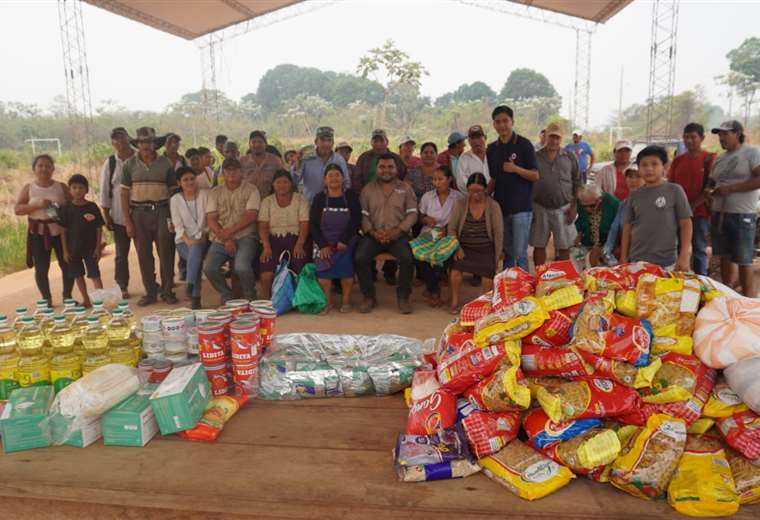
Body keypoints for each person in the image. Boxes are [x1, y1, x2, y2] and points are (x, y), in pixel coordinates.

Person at [120, 127, 177, 306]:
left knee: (166, 252)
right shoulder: (129, 165)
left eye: (149, 142)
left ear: (155, 144)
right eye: (142, 142)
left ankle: (167, 291)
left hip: (162, 210)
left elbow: (173, 192)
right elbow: (124, 194)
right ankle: (150, 292)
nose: (146, 145)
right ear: (137, 144)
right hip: (138, 213)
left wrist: (173, 218)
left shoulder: (165, 163)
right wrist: (127, 221)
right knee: (143, 255)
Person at [355, 153, 418, 314]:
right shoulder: (367, 190)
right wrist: (373, 232)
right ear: (376, 169)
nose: (386, 170)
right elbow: (362, 215)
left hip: (398, 235)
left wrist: (398, 230)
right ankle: (369, 297)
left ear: (396, 169)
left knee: (407, 258)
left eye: (390, 167)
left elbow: (412, 213)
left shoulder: (406, 189)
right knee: (360, 257)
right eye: (382, 167)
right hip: (373, 235)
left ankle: (403, 298)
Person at [14, 154, 74, 306]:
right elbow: (18, 209)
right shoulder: (29, 188)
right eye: (40, 165)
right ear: (34, 169)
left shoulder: (61, 187)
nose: (44, 168)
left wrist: (56, 209)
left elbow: (74, 205)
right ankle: (46, 298)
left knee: (67, 264)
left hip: (62, 233)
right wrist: (37, 206)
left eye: (47, 165)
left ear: (53, 169)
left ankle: (67, 296)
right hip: (38, 233)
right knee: (41, 268)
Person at [709, 120, 760, 297]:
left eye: (725, 134)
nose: (721, 138)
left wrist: (730, 189)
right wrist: (710, 193)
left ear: (737, 133)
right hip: (719, 213)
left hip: (742, 215)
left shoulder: (751, 152)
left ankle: (750, 304)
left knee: (744, 260)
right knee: (724, 256)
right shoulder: (720, 158)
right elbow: (712, 182)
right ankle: (729, 296)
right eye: (719, 134)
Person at [620, 146, 692, 271]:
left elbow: (686, 224)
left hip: (667, 261)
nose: (649, 168)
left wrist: (684, 254)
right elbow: (627, 228)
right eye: (644, 165)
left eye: (654, 164)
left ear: (665, 167)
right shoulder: (634, 196)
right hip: (637, 261)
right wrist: (623, 257)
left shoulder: (674, 190)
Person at [486, 105, 539, 271]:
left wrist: (516, 169)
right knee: (507, 252)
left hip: (521, 208)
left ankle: (526, 291)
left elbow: (535, 175)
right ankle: (509, 289)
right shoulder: (492, 149)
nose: (502, 125)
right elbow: (494, 177)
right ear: (493, 124)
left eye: (505, 121)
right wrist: (484, 196)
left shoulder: (524, 144)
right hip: (500, 208)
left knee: (520, 253)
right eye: (498, 122)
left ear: (512, 122)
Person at [204, 158, 261, 304]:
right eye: (228, 169)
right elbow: (211, 219)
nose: (231, 172)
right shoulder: (215, 192)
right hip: (220, 238)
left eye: (235, 169)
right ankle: (227, 296)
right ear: (223, 172)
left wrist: (229, 233)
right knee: (209, 268)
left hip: (246, 236)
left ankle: (250, 296)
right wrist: (227, 239)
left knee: (242, 267)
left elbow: (251, 215)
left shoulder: (251, 189)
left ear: (241, 171)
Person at [447, 173, 504, 313]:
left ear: (485, 189)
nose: (475, 194)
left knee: (487, 275)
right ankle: (454, 301)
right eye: (472, 190)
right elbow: (452, 229)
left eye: (479, 190)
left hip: (485, 247)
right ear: (467, 190)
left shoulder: (493, 205)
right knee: (455, 271)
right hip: (464, 246)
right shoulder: (460, 204)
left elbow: (498, 233)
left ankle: (483, 304)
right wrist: (457, 248)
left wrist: (497, 256)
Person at [310, 163, 362, 314]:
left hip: (345, 241)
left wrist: (344, 240)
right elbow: (313, 224)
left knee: (346, 273)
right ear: (325, 180)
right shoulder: (319, 198)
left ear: (343, 178)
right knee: (324, 275)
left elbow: (356, 219)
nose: (334, 178)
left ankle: (346, 302)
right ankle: (328, 302)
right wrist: (322, 245)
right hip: (324, 241)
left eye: (337, 175)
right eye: (330, 175)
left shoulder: (350, 195)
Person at [667, 123, 716, 276]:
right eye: (686, 137)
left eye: (693, 137)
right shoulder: (678, 160)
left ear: (702, 138)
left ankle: (702, 282)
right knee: (678, 248)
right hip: (677, 213)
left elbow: (711, 187)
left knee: (699, 248)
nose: (689, 141)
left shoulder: (710, 158)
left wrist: (692, 207)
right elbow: (671, 185)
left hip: (700, 213)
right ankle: (678, 278)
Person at [531, 123, 581, 266]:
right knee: (539, 244)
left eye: (557, 138)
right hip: (540, 207)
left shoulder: (570, 157)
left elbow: (577, 182)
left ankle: (563, 279)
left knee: (564, 246)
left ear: (561, 139)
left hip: (564, 208)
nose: (554, 141)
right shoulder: (535, 157)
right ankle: (539, 276)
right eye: (551, 136)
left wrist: (574, 207)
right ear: (545, 136)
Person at [258, 170, 311, 299]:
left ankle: (299, 299)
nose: (282, 185)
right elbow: (262, 225)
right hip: (273, 240)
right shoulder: (267, 201)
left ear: (291, 184)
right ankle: (267, 300)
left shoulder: (300, 199)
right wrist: (266, 246)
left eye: (285, 182)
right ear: (273, 184)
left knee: (300, 265)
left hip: (297, 238)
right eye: (278, 182)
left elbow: (304, 223)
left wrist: (300, 244)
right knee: (266, 269)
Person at [416, 165, 464, 307]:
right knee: (419, 254)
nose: (437, 183)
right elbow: (420, 216)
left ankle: (433, 290)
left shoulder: (458, 197)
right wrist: (425, 220)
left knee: (443, 253)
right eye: (434, 179)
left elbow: (462, 221)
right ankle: (434, 289)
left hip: (450, 234)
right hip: (429, 233)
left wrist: (448, 229)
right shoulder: (427, 197)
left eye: (440, 179)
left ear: (449, 179)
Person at [60, 174, 104, 308]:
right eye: (74, 187)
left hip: (90, 249)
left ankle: (100, 302)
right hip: (73, 249)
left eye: (81, 187)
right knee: (78, 275)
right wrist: (65, 250)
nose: (77, 190)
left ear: (87, 190)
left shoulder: (92, 207)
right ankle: (86, 300)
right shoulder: (66, 207)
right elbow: (63, 231)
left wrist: (98, 248)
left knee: (95, 274)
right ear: (70, 190)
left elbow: (99, 228)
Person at [99, 127, 134, 298]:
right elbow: (105, 190)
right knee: (121, 254)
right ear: (112, 142)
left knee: (145, 253)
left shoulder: (139, 158)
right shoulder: (110, 163)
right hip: (119, 216)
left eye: (122, 137)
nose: (119, 141)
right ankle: (122, 285)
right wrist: (106, 215)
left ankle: (152, 283)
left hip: (140, 213)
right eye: (115, 139)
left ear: (128, 138)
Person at [170, 166, 209, 309]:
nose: (189, 182)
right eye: (185, 180)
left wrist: (203, 235)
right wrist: (190, 242)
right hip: (183, 241)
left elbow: (210, 219)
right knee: (196, 255)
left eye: (192, 179)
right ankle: (194, 295)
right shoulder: (175, 199)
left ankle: (192, 289)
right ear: (179, 183)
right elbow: (178, 226)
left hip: (204, 237)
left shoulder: (205, 195)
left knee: (195, 255)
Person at [293, 126, 350, 203]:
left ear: (333, 143)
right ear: (316, 141)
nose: (326, 144)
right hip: (310, 203)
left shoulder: (339, 160)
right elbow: (293, 181)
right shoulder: (306, 158)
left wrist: (341, 199)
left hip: (333, 204)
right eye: (322, 140)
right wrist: (297, 166)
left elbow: (346, 182)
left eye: (329, 140)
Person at [601, 166, 643, 263]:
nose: (633, 180)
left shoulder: (651, 203)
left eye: (637, 176)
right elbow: (614, 229)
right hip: (625, 255)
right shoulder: (624, 204)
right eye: (630, 177)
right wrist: (606, 251)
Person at [574, 184, 620, 267]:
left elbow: (618, 230)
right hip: (588, 244)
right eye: (584, 206)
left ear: (600, 199)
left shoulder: (613, 204)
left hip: (610, 245)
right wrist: (580, 233)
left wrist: (604, 249)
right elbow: (580, 220)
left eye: (592, 205)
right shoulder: (582, 202)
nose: (588, 209)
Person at [354, 129, 407, 194]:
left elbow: (403, 176)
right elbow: (357, 178)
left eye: (381, 141)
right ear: (371, 143)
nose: (378, 144)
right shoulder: (364, 157)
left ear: (387, 142)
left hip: (392, 194)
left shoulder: (396, 158)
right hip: (369, 193)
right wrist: (362, 193)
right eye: (375, 141)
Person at [240, 130, 284, 198]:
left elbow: (282, 180)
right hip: (246, 200)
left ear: (266, 144)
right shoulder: (242, 161)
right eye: (253, 142)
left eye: (260, 142)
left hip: (270, 200)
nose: (257, 145)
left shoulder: (275, 161)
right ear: (249, 144)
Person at [456, 125, 490, 191]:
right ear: (469, 141)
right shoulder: (464, 158)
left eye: (479, 137)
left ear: (485, 138)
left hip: (495, 196)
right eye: (472, 138)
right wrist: (477, 193)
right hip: (472, 197)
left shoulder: (493, 154)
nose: (476, 141)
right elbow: (461, 183)